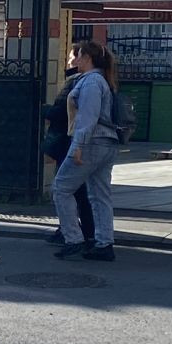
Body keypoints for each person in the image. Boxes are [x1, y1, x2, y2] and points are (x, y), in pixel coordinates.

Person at [52, 41, 119, 262]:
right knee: (100, 195)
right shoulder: (102, 80)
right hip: (107, 142)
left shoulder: (91, 82)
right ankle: (104, 243)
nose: (75, 60)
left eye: (78, 55)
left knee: (61, 188)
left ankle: (73, 238)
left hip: (91, 143)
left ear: (88, 58)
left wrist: (78, 146)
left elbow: (87, 118)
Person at [41, 67, 96, 245]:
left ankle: (73, 232)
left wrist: (46, 110)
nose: (71, 59)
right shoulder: (87, 81)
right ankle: (85, 230)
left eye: (74, 55)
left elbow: (63, 113)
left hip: (67, 142)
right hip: (72, 141)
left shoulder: (76, 81)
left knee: (66, 189)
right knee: (79, 191)